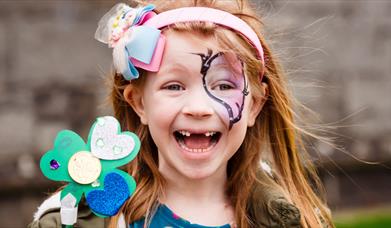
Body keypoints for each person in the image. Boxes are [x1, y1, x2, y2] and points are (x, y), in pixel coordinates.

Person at [30, 0, 334, 227]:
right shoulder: (74, 221)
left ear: (254, 105)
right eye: (174, 86)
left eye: (225, 85)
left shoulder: (297, 218)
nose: (199, 108)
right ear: (139, 103)